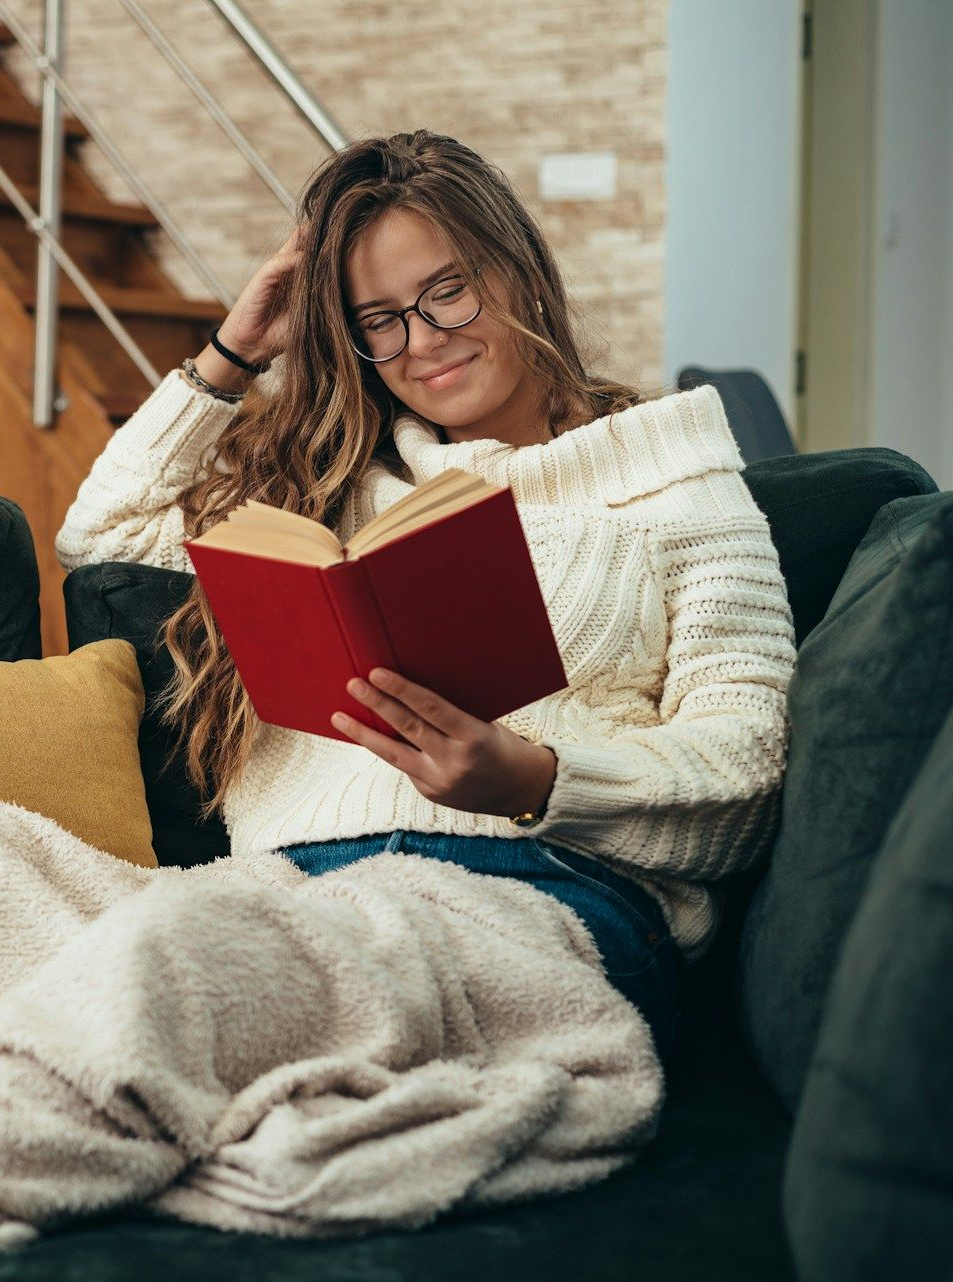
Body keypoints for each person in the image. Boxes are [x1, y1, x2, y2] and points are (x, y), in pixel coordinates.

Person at [55, 129, 798, 1066]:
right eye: (380, 320)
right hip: (282, 896)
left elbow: (748, 767)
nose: (426, 343)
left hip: (530, 886)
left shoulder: (676, 477)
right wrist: (236, 349)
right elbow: (104, 535)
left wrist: (534, 779)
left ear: (519, 268)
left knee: (173, 980)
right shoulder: (330, 490)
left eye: (448, 291)